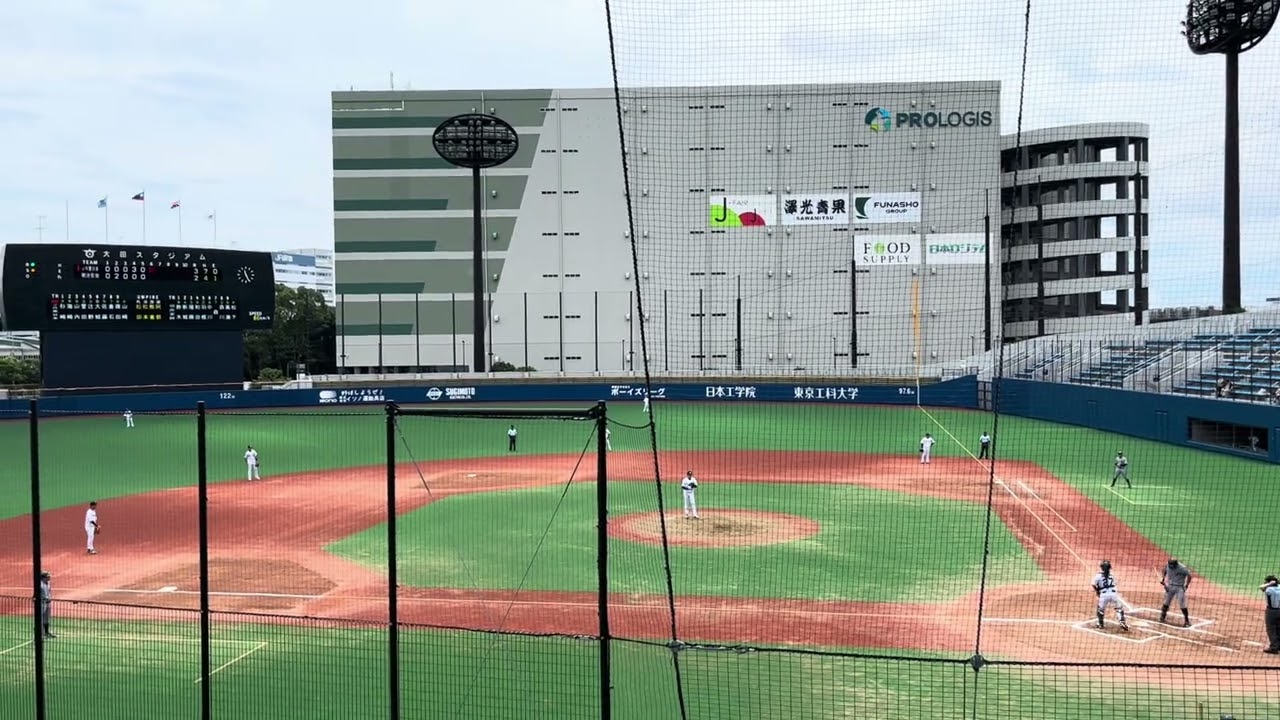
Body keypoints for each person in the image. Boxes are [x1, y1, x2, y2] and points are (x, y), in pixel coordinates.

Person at [1093, 560, 1127, 630]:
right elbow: (1114, 583)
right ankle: (1122, 621)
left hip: (1104, 595)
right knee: (1119, 608)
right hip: (1114, 594)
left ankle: (1100, 624)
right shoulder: (1112, 575)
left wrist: (1097, 591)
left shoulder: (1098, 575)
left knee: (1100, 609)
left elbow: (1093, 584)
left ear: (1102, 567)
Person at [1159, 558, 1193, 627]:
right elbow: (1164, 570)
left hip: (1179, 587)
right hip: (1170, 586)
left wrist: (1186, 585)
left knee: (1182, 603)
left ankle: (1187, 621)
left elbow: (1189, 575)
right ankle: (1162, 617)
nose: (1170, 566)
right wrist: (1163, 579)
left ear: (1176, 564)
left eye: (1172, 565)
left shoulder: (1182, 568)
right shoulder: (1168, 565)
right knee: (1166, 602)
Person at [1262, 575, 1280, 654]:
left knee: (1271, 629)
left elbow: (1261, 587)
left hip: (1271, 611)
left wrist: (1270, 584)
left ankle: (1274, 647)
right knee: (1279, 628)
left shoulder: (1269, 589)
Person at [39, 571, 54, 638]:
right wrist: (45, 598)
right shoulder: (40, 585)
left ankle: (46, 632)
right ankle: (40, 633)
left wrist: (49, 598)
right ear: (43, 578)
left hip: (47, 602)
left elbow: (49, 592)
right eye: (48, 576)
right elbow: (38, 594)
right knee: (40, 618)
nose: (49, 577)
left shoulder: (48, 583)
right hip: (41, 603)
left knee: (46, 618)